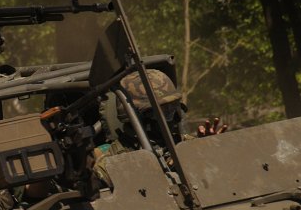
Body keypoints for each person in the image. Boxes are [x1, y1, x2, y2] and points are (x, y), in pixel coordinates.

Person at [94, 69, 227, 187]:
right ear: (141, 118)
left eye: (175, 108)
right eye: (166, 112)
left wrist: (207, 149)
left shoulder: (186, 145)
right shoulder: (111, 162)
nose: (175, 117)